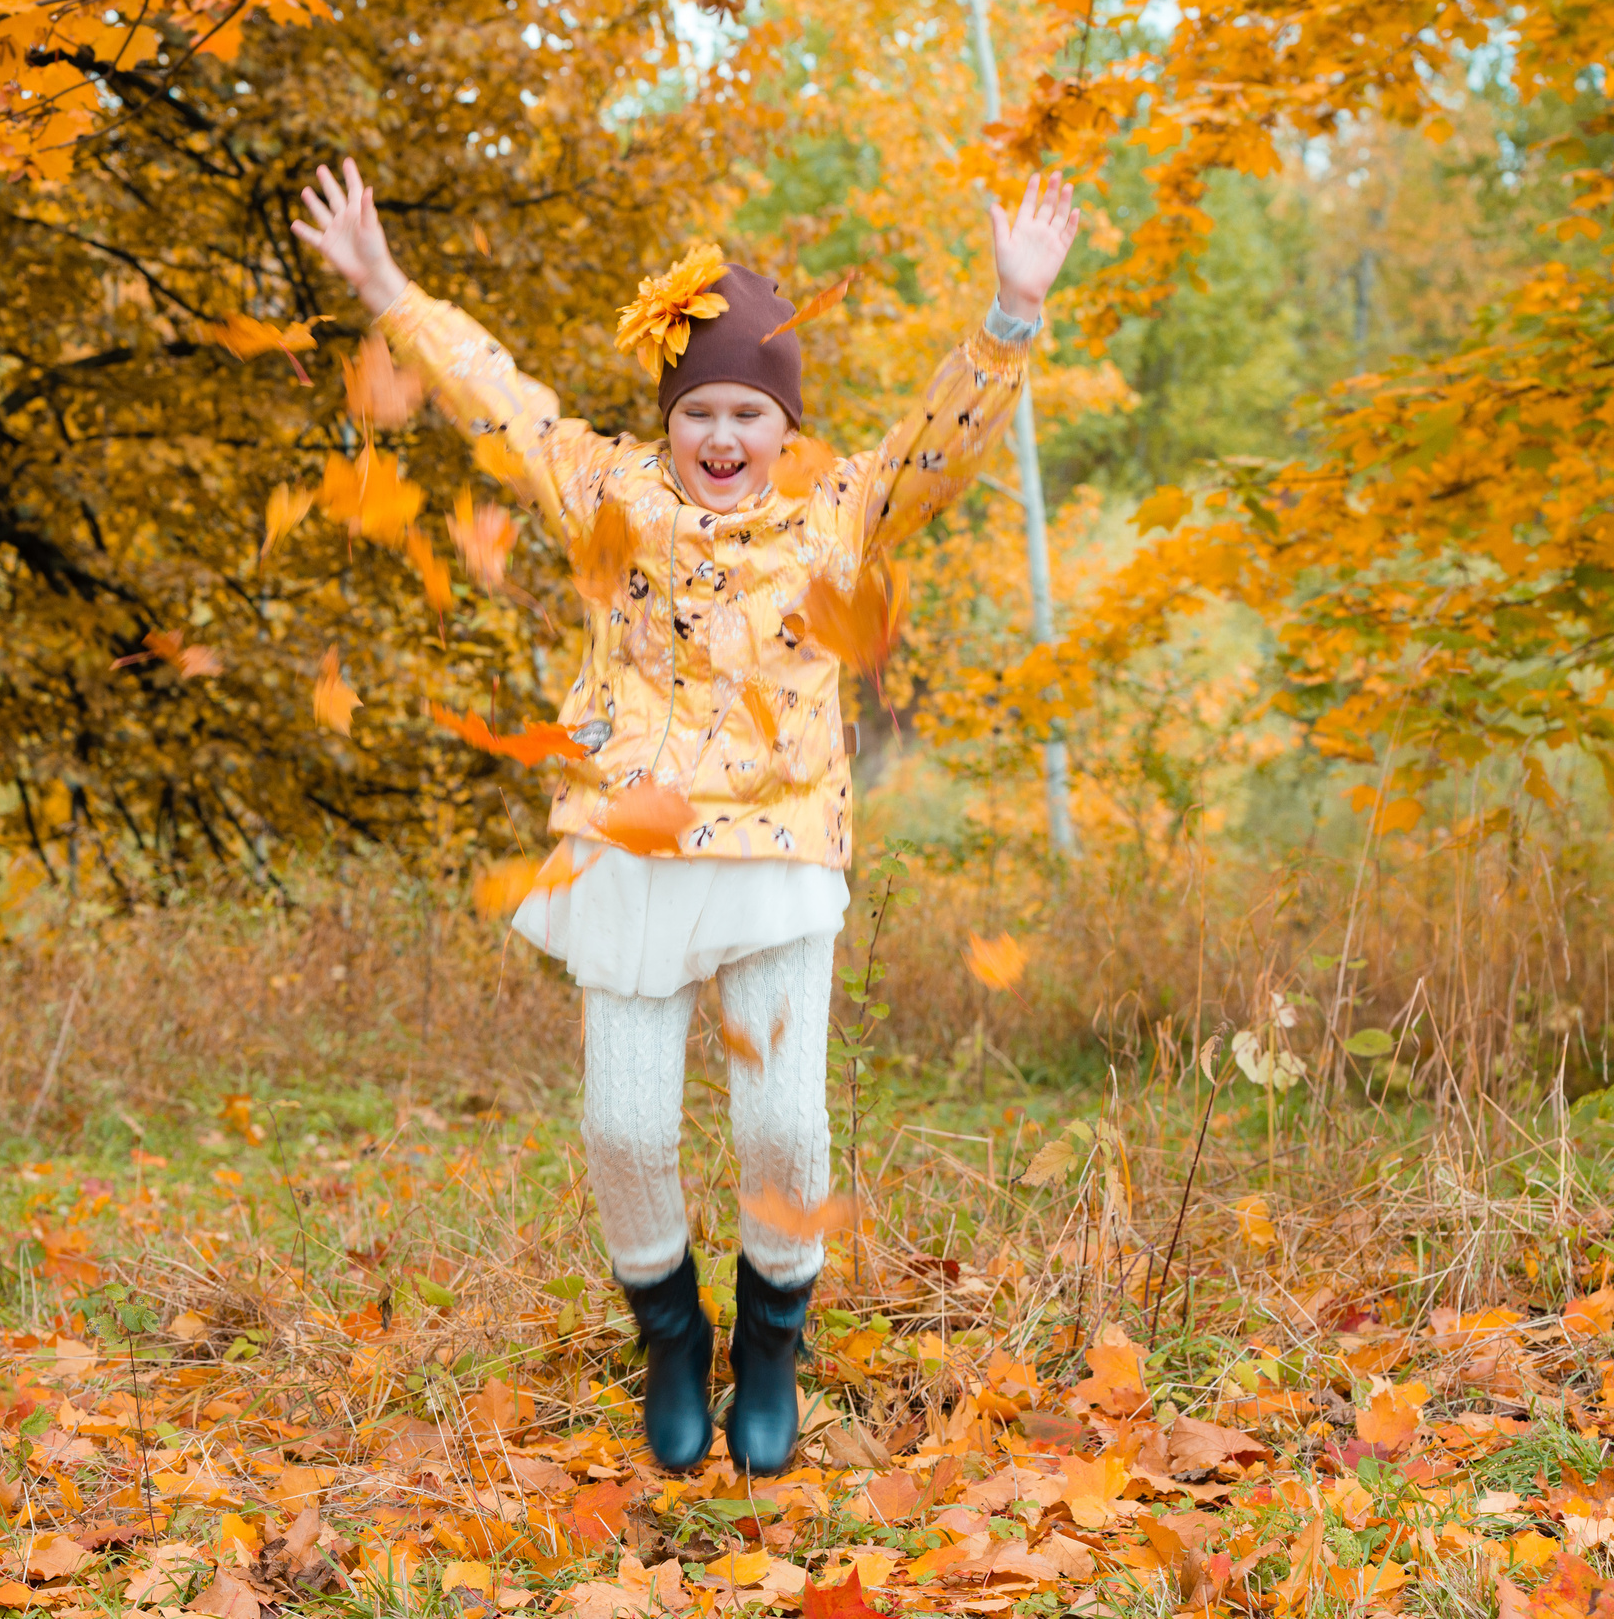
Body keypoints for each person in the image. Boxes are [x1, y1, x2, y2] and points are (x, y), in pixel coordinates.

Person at [293, 159, 1078, 1473]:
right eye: (699, 409)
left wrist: (1011, 314)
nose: (723, 436)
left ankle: (769, 1337)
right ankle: (669, 1328)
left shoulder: (836, 512)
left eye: (748, 413)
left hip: (778, 852)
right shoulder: (611, 496)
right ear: (668, 418)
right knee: (623, 1128)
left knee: (784, 1130)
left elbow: (940, 445)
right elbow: (500, 405)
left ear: (783, 425)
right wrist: (386, 288)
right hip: (634, 847)